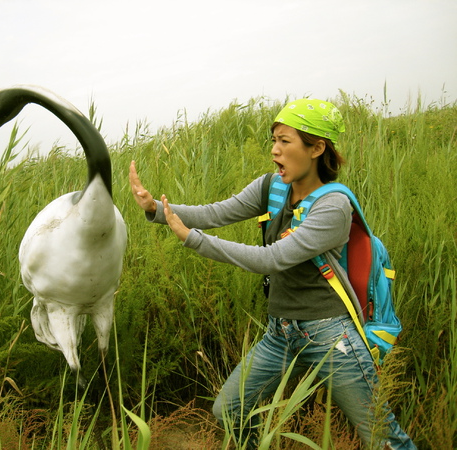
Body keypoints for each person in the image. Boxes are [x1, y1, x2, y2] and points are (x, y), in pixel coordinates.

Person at [128, 99, 416, 449]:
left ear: (317, 148)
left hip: (330, 336)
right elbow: (216, 213)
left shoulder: (333, 207)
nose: (274, 150)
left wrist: (193, 240)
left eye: (284, 141)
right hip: (280, 332)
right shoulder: (272, 187)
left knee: (382, 436)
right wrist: (157, 209)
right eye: (273, 140)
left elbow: (272, 259)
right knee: (229, 411)